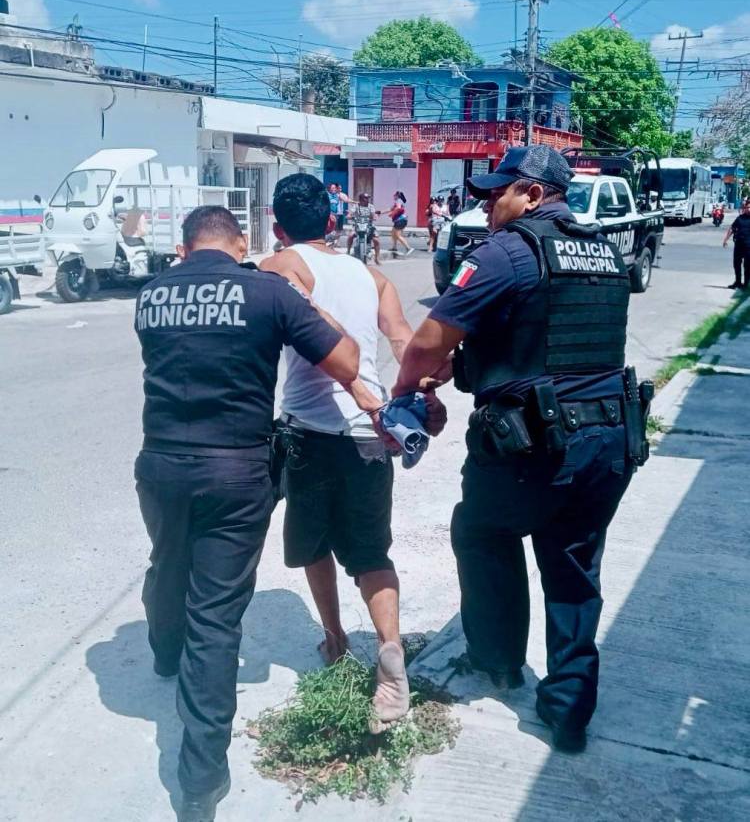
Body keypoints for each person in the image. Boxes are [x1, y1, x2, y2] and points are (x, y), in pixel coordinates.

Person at [393, 145, 646, 754]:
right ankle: (569, 712)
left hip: (531, 444)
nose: (488, 204)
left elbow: (426, 344)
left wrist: (408, 389)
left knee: (483, 533)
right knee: (575, 567)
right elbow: (553, 336)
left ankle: (499, 660)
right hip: (610, 437)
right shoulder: (608, 253)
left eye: (497, 193)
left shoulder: (506, 252)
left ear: (533, 194)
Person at [133, 205, 359, 822]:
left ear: (184, 249)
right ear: (240, 243)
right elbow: (347, 361)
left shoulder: (151, 294)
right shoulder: (267, 291)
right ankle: (201, 782)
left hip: (160, 463)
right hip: (234, 471)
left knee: (167, 561)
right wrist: (300, 303)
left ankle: (160, 649)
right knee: (215, 617)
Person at [259, 174, 447, 728]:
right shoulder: (373, 275)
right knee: (371, 553)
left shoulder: (280, 266)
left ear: (276, 228)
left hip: (311, 436)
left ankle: (336, 640)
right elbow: (404, 343)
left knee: (314, 543)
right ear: (335, 223)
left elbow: (300, 321)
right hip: (371, 436)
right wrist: (418, 394)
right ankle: (389, 652)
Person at [346, 191, 382, 264]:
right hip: (357, 225)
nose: (367, 199)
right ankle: (348, 251)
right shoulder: (356, 206)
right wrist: (349, 216)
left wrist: (374, 216)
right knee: (350, 236)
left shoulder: (371, 206)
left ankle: (377, 258)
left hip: (369, 225)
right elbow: (350, 213)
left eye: (368, 198)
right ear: (361, 199)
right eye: (365, 198)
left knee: (376, 240)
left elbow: (373, 214)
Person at [723, 197, 750, 289]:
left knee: (747, 266)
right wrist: (726, 239)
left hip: (749, 247)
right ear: (744, 208)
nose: (748, 209)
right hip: (739, 245)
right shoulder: (740, 218)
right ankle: (738, 282)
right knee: (736, 264)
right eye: (747, 207)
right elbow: (732, 228)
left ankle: (746, 284)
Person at [388, 191, 413, 257]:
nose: (393, 196)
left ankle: (408, 248)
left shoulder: (399, 200)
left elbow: (398, 208)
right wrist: (380, 213)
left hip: (400, 220)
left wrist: (392, 213)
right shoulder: (398, 201)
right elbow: (390, 209)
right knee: (393, 233)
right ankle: (394, 247)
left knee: (398, 235)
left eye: (394, 195)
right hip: (400, 220)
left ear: (397, 195)